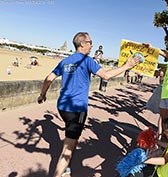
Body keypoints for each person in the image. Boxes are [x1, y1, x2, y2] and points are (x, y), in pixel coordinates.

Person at [37, 32, 140, 177]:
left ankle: (66, 165)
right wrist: (127, 65)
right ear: (82, 44)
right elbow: (106, 75)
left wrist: (42, 95)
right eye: (90, 42)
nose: (92, 45)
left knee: (70, 136)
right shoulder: (87, 61)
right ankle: (59, 172)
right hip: (77, 109)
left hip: (62, 107)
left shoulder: (65, 61)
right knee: (68, 148)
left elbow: (48, 78)